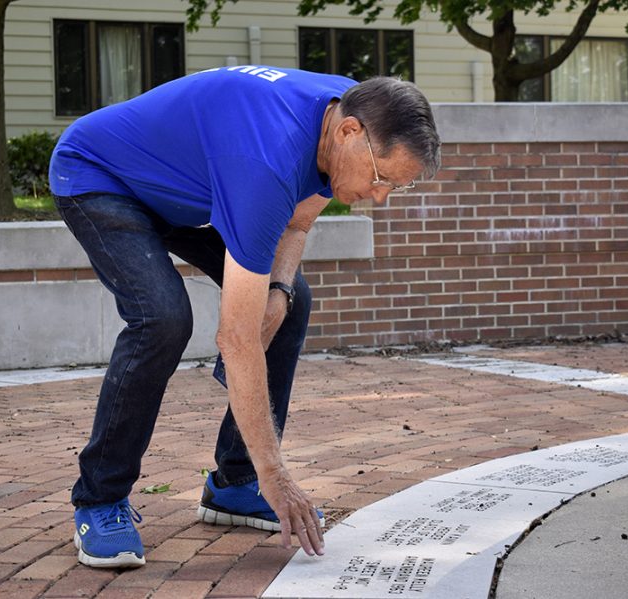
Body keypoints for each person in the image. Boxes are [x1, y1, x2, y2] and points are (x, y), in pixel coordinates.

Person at [48, 65, 441, 569]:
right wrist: (278, 474)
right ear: (349, 133)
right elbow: (236, 338)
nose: (380, 197)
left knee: (290, 302)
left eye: (397, 188)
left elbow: (296, 224)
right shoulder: (267, 160)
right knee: (163, 319)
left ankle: (234, 483)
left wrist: (277, 293)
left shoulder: (354, 107)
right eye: (382, 178)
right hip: (100, 175)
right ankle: (99, 497)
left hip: (182, 190)